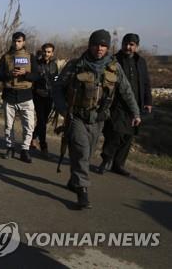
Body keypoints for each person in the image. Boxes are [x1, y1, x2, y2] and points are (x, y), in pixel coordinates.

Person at [53, 29, 141, 209]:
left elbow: (126, 91)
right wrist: (63, 110)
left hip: (98, 119)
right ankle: (82, 191)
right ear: (90, 45)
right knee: (81, 151)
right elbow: (57, 88)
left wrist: (136, 112)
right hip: (76, 116)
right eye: (96, 45)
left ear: (107, 48)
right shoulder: (75, 65)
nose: (99, 48)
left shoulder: (114, 67)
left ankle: (74, 181)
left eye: (103, 45)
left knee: (88, 153)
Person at [97, 33, 152, 177]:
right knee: (116, 132)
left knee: (129, 136)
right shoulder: (114, 60)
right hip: (118, 104)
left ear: (137, 46)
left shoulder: (141, 62)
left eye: (132, 45)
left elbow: (146, 83)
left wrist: (148, 101)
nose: (128, 47)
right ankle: (106, 160)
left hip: (136, 105)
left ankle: (118, 164)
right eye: (126, 44)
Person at [0, 32, 39, 162]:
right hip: (10, 96)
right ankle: (10, 147)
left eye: (19, 41)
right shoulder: (6, 57)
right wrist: (9, 74)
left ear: (24, 42)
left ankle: (25, 150)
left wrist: (25, 73)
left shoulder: (31, 57)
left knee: (29, 126)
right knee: (8, 125)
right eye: (14, 41)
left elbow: (37, 76)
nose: (16, 43)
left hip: (26, 96)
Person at [31, 43, 59, 154]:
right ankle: (43, 145)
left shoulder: (54, 65)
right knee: (42, 120)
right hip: (38, 96)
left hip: (50, 96)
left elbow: (56, 81)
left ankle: (32, 137)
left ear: (52, 53)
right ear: (42, 52)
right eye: (45, 51)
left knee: (44, 121)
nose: (46, 54)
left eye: (49, 52)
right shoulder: (36, 64)